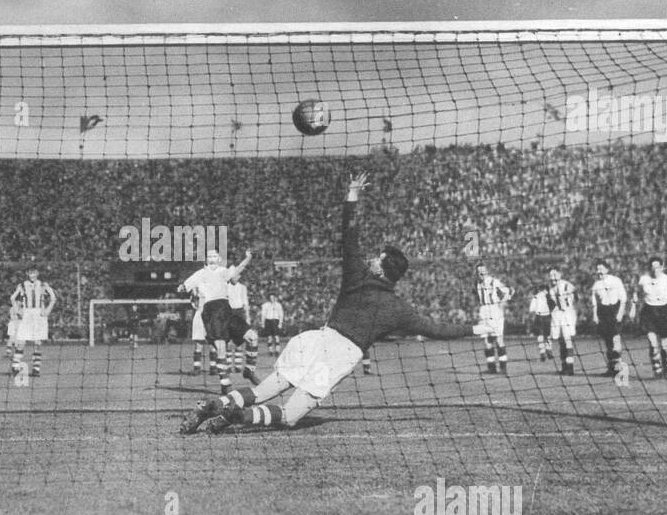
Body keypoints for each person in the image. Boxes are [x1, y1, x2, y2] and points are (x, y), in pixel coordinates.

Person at [180, 172, 491, 434]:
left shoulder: (356, 275)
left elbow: (349, 234)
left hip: (315, 340)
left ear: (380, 268)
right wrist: (478, 328)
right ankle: (237, 417)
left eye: (377, 257)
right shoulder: (399, 310)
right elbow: (438, 330)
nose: (371, 257)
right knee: (288, 417)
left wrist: (352, 194)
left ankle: (214, 406)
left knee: (262, 391)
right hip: (340, 356)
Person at [177, 248, 259, 394]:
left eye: (214, 256)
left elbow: (235, 277)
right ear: (206, 259)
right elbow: (184, 286)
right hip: (211, 311)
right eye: (209, 256)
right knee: (221, 348)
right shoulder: (200, 273)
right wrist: (182, 287)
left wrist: (247, 259)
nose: (212, 258)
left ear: (219, 258)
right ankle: (225, 384)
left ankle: (249, 370)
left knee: (253, 337)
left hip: (227, 309)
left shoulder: (223, 271)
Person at [630, 256, 667, 378]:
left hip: (664, 312)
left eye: (657, 267)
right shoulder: (643, 279)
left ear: (662, 267)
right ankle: (657, 370)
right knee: (653, 345)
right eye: (652, 267)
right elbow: (636, 293)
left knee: (664, 346)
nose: (655, 270)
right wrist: (632, 307)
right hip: (648, 312)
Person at [10, 267, 56, 376]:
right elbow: (12, 298)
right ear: (27, 273)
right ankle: (15, 367)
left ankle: (36, 369)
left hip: (39, 315)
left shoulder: (43, 285)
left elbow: (53, 297)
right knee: (21, 341)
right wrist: (18, 311)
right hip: (27, 314)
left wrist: (47, 310)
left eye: (34, 272)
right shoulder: (22, 285)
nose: (32, 274)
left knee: (38, 343)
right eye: (30, 272)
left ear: (37, 273)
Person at [589, 260, 627, 377]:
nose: (599, 271)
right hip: (603, 312)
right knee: (608, 342)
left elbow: (623, 298)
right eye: (597, 269)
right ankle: (611, 368)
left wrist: (620, 312)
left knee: (616, 339)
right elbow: (594, 303)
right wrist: (595, 315)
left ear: (607, 269)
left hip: (614, 310)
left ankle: (618, 367)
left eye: (601, 269)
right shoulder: (596, 285)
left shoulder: (616, 281)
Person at [475, 264, 512, 375]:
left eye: (483, 271)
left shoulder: (494, 282)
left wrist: (501, 305)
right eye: (479, 272)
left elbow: (507, 293)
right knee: (487, 341)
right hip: (484, 311)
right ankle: (491, 368)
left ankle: (503, 368)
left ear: (487, 271)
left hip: (494, 310)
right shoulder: (478, 283)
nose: (481, 273)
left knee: (498, 339)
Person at [546, 267, 578, 376]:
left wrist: (569, 304)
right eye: (551, 275)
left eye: (555, 275)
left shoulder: (566, 285)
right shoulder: (550, 289)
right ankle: (564, 366)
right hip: (557, 315)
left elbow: (575, 296)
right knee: (560, 341)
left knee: (567, 339)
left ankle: (570, 367)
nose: (552, 278)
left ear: (560, 275)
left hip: (567, 314)